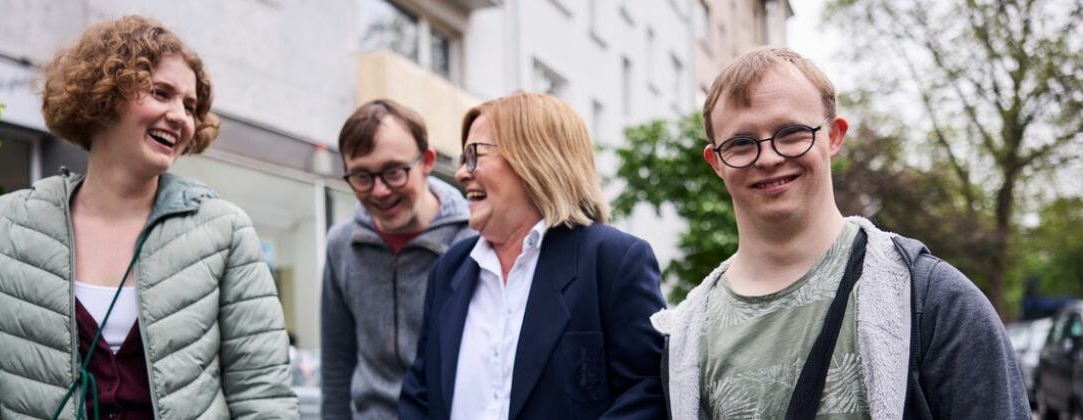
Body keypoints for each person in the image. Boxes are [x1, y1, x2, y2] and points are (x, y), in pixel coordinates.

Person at [0, 15, 298, 419]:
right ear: (105, 93)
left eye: (190, 106)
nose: (181, 117)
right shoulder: (1, 228)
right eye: (161, 93)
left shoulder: (225, 231)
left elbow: (263, 397)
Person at [651, 46, 1029, 419]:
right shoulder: (686, 334)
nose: (768, 157)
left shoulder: (933, 301)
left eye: (792, 133)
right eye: (741, 143)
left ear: (834, 136)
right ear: (717, 161)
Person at [399, 91, 668, 420]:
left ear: (534, 157)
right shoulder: (449, 268)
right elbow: (419, 395)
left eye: (474, 155)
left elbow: (646, 394)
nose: (461, 173)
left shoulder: (613, 260)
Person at [321, 99, 474, 419]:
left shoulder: (473, 239)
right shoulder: (341, 245)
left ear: (427, 161)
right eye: (362, 176)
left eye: (394, 172)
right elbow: (337, 362)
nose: (379, 191)